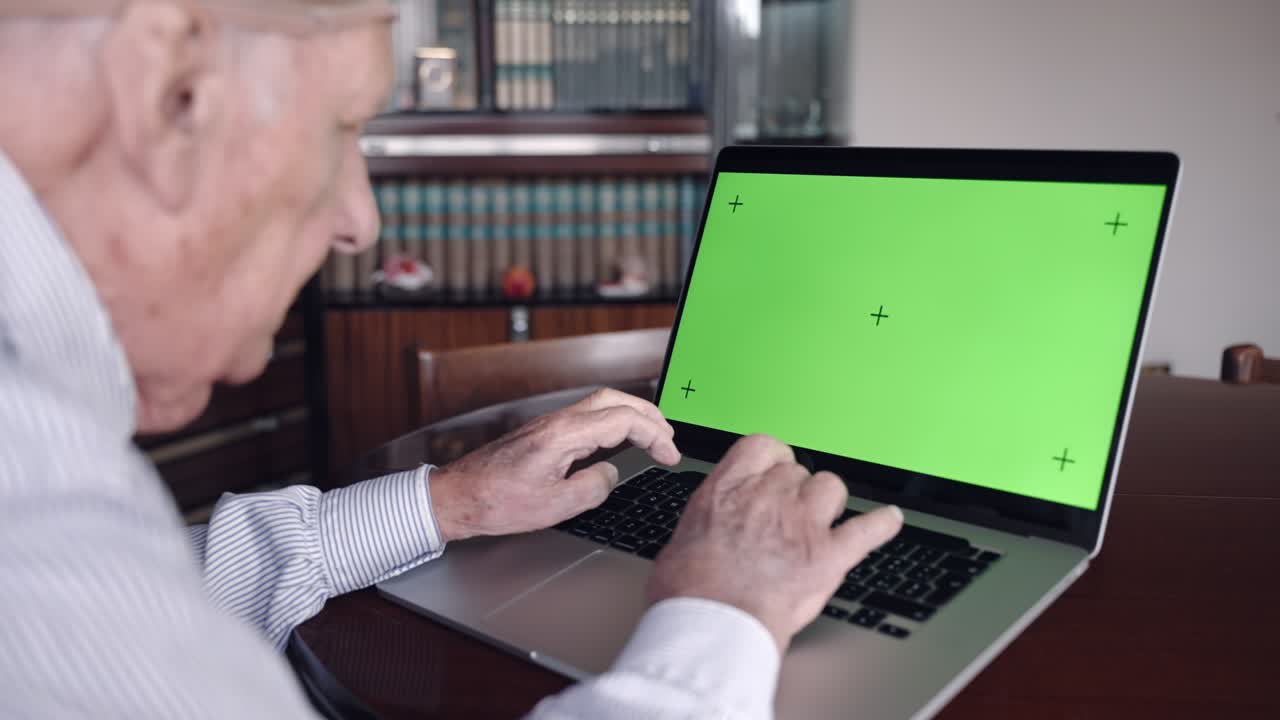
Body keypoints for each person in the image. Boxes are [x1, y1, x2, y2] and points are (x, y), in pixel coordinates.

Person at [0, 1, 903, 717]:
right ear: (167, 90)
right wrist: (721, 620)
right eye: (343, 127)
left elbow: (174, 594)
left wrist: (449, 501)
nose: (362, 221)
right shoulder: (36, 522)